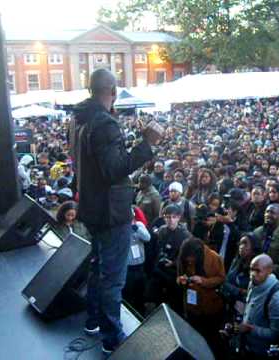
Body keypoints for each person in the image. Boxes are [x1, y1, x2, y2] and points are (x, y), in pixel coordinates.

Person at [69, 68, 162, 354]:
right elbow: (115, 170)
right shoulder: (105, 124)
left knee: (98, 267)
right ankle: (112, 339)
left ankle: (94, 321)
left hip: (93, 208)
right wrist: (147, 144)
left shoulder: (79, 119)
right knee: (113, 278)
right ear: (113, 90)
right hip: (111, 214)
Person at [177, 238, 225, 355]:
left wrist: (203, 281)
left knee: (211, 338)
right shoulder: (182, 258)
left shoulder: (214, 257)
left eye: (191, 259)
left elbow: (221, 278)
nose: (189, 262)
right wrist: (181, 280)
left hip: (210, 308)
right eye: (187, 260)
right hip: (191, 307)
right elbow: (178, 276)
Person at [238, 254, 279, 359]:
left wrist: (251, 329)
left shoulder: (277, 298)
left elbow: (277, 333)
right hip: (247, 346)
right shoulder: (254, 283)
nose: (252, 274)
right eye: (251, 270)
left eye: (257, 271)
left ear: (269, 271)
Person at [145, 204, 191, 314]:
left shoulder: (185, 236)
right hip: (160, 268)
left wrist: (174, 263)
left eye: (173, 217)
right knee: (151, 297)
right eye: (167, 217)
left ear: (179, 217)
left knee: (173, 304)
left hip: (174, 273)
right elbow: (156, 249)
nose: (170, 220)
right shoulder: (161, 230)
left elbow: (188, 258)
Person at [122, 210, 150, 315]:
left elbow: (147, 238)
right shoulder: (120, 228)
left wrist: (136, 228)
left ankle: (141, 311)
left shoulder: (139, 225)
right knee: (128, 292)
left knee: (140, 291)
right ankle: (128, 312)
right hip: (127, 267)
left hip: (140, 265)